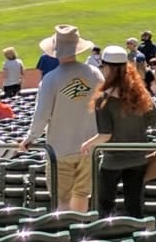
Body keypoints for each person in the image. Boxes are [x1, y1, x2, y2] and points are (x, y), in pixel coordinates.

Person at [27, 25, 102, 213]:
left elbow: (42, 114)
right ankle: (80, 233)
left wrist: (30, 138)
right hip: (89, 147)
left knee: (62, 200)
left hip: (60, 150)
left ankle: (65, 236)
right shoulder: (94, 73)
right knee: (82, 196)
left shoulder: (51, 79)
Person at [83, 45, 156, 217]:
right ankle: (137, 239)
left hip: (113, 160)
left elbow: (106, 135)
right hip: (138, 157)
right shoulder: (140, 93)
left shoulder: (103, 99)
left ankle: (108, 239)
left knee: (105, 205)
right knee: (134, 204)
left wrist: (87, 144)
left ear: (107, 67)